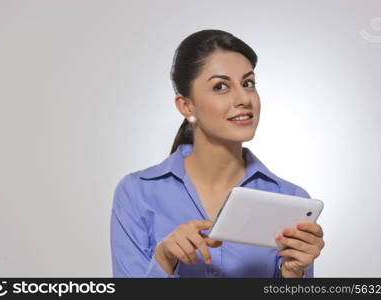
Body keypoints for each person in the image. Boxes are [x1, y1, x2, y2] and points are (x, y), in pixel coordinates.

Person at [110, 29, 325, 278]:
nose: (244, 98)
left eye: (248, 83)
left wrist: (293, 274)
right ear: (186, 106)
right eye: (221, 86)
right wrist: (164, 258)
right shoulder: (136, 192)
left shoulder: (291, 199)